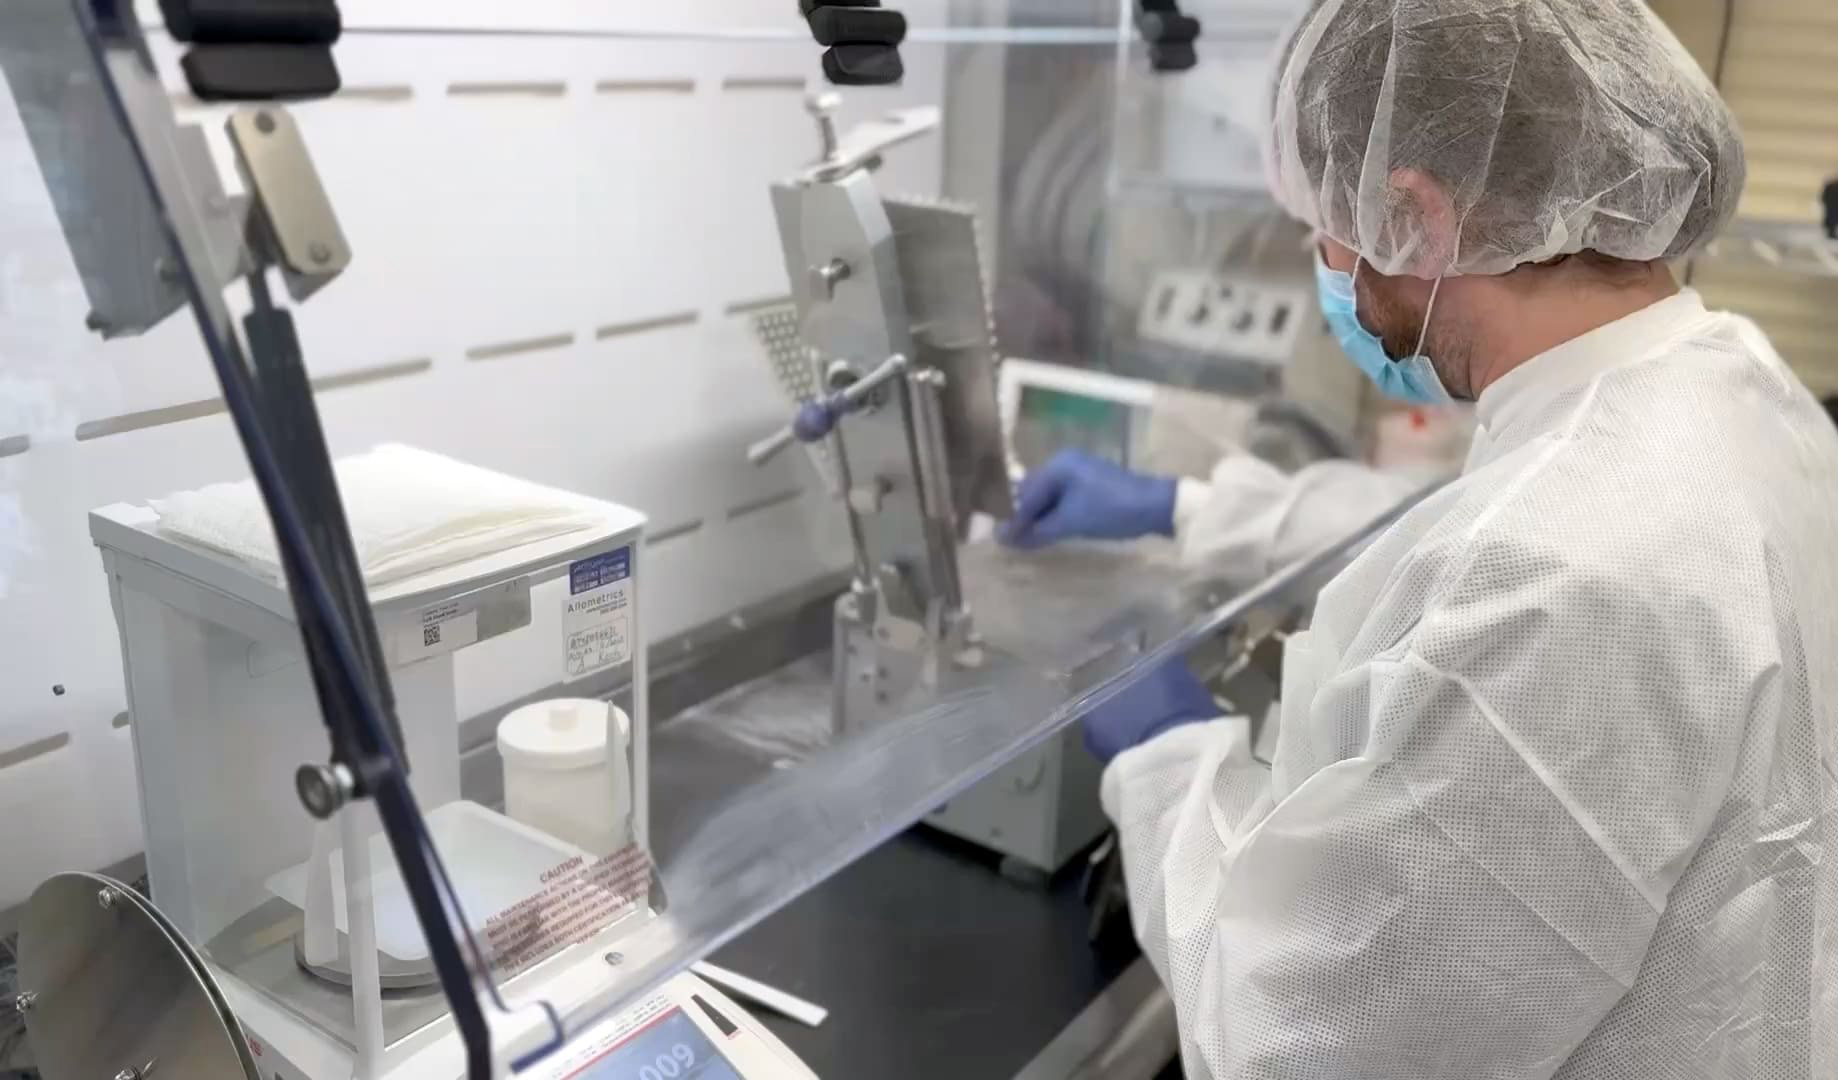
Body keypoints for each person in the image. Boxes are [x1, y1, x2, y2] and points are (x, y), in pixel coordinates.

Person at [1001, 1, 1838, 1076]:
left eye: (1327, 223)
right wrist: (1188, 509)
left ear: (1416, 214)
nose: (1326, 265)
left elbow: (1295, 1045)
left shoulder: (1561, 579)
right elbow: (1455, 524)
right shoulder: (1725, 382)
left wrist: (1168, 762)